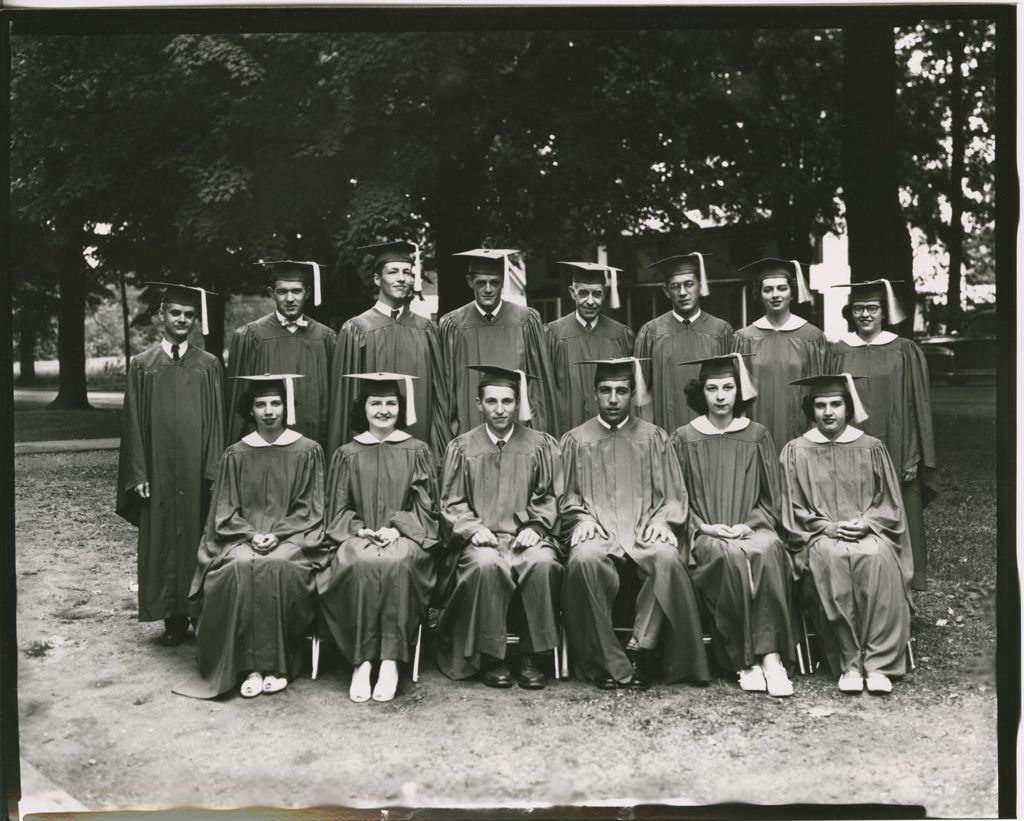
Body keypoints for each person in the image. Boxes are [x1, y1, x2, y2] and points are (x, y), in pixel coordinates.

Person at [560, 357, 709, 690]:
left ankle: (642, 649)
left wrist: (665, 521)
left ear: (632, 394)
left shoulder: (654, 438)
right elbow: (564, 496)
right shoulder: (575, 440)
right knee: (583, 560)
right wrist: (580, 517)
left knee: (667, 557)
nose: (613, 399)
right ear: (594, 394)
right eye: (606, 391)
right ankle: (603, 659)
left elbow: (674, 494)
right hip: (597, 530)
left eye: (621, 391)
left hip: (644, 528)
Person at [175, 374, 326, 699]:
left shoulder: (307, 451)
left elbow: (310, 510)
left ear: (285, 407)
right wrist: (250, 535)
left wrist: (278, 534)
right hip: (239, 539)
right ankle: (248, 666)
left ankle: (279, 665)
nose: (269, 410)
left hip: (292, 540)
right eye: (261, 404)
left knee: (280, 566)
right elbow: (224, 512)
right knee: (237, 567)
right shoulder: (236, 454)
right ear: (251, 410)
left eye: (275, 403)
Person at [779, 373, 913, 695]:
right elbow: (791, 508)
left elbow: (890, 503)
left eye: (836, 404)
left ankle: (878, 663)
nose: (828, 412)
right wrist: (827, 527)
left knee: (877, 558)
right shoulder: (796, 450)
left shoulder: (872, 447)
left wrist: (868, 522)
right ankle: (850, 663)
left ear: (848, 407)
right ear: (810, 409)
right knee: (831, 560)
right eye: (820, 404)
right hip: (820, 536)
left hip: (869, 531)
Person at [670, 354, 795, 697]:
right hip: (705, 533)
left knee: (769, 549)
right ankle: (745, 660)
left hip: (752, 528)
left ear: (740, 392)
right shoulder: (684, 438)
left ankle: (771, 657)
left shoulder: (757, 435)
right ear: (702, 393)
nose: (721, 396)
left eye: (728, 387)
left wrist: (748, 524)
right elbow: (675, 499)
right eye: (712, 388)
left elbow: (772, 497)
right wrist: (704, 527)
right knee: (728, 559)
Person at [436, 365, 564, 689]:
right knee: (485, 565)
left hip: (525, 538)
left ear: (516, 402)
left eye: (507, 401)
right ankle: (493, 657)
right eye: (491, 401)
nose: (499, 409)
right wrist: (471, 528)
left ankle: (530, 655)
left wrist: (535, 525)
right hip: (481, 540)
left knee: (543, 563)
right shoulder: (462, 447)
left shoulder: (540, 445)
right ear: (478, 403)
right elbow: (451, 501)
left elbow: (549, 494)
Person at [318, 372, 439, 703]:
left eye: (390, 403)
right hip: (360, 536)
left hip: (406, 537)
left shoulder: (418, 451)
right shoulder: (347, 453)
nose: (383, 410)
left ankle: (389, 661)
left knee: (397, 561)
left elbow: (426, 509)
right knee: (361, 561)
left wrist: (396, 527)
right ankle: (362, 662)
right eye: (376, 403)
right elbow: (336, 512)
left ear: (400, 407)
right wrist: (360, 529)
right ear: (364, 408)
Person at [116, 283, 225, 647]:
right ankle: (173, 617)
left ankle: (201, 612)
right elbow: (132, 422)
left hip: (197, 471)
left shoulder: (208, 366)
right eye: (175, 313)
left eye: (188, 314)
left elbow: (217, 422)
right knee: (162, 536)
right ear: (162, 314)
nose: (181, 320)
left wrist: (213, 469)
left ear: (195, 319)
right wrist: (139, 472)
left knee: (199, 536)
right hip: (158, 470)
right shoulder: (142, 365)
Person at [828, 279, 936, 590]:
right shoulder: (838, 351)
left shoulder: (905, 349)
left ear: (883, 312)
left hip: (897, 444)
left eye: (872, 308)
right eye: (859, 308)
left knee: (900, 505)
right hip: (852, 445)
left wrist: (914, 453)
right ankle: (861, 574)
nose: (865, 314)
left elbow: (917, 405)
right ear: (851, 312)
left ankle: (904, 579)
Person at [327, 241, 449, 461]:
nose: (401, 278)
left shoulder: (427, 329)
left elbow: (439, 397)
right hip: (368, 451)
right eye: (393, 272)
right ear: (377, 279)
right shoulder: (356, 329)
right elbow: (346, 401)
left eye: (407, 273)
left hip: (419, 445)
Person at [439, 249, 559, 436]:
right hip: (469, 433)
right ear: (470, 281)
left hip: (519, 433)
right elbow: (446, 389)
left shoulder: (527, 321)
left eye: (494, 282)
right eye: (481, 283)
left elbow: (539, 388)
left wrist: (538, 436)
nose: (488, 289)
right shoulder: (453, 325)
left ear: (503, 280)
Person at [225, 260, 336, 449]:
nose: (290, 298)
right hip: (262, 447)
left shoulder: (326, 338)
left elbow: (335, 400)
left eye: (297, 291)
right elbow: (237, 403)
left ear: (308, 293)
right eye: (283, 291)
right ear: (271, 293)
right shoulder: (250, 337)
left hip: (315, 443)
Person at [731, 258, 829, 449]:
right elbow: (736, 392)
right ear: (759, 295)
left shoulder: (812, 337)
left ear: (792, 293)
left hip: (802, 435)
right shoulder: (744, 339)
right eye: (768, 289)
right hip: (755, 434)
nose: (775, 295)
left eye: (782, 288)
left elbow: (821, 391)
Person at [634, 252, 733, 432]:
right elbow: (641, 393)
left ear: (699, 286)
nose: (682, 292)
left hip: (713, 432)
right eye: (675, 286)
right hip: (665, 431)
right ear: (666, 291)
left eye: (689, 284)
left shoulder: (721, 331)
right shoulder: (651, 332)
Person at [544, 261, 635, 436]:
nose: (590, 301)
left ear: (605, 294)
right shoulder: (553, 334)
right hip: (567, 428)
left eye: (597, 294)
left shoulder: (620, 335)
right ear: (572, 293)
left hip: (612, 430)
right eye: (583, 293)